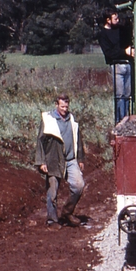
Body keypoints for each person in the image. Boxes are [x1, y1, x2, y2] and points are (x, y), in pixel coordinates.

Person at [35, 93, 85, 227]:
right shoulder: (48, 119)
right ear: (56, 105)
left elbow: (78, 139)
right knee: (52, 192)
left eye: (66, 106)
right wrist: (41, 161)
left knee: (79, 186)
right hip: (53, 160)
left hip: (70, 160)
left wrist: (80, 158)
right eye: (62, 106)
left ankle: (67, 212)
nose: (64, 109)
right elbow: (40, 141)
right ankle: (52, 220)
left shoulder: (72, 119)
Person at [96, 8, 133, 123]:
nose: (118, 20)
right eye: (115, 18)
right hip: (117, 66)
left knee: (128, 95)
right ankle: (121, 120)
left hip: (128, 65)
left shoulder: (121, 30)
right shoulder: (103, 35)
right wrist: (124, 52)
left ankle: (127, 117)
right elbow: (109, 53)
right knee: (120, 95)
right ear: (108, 20)